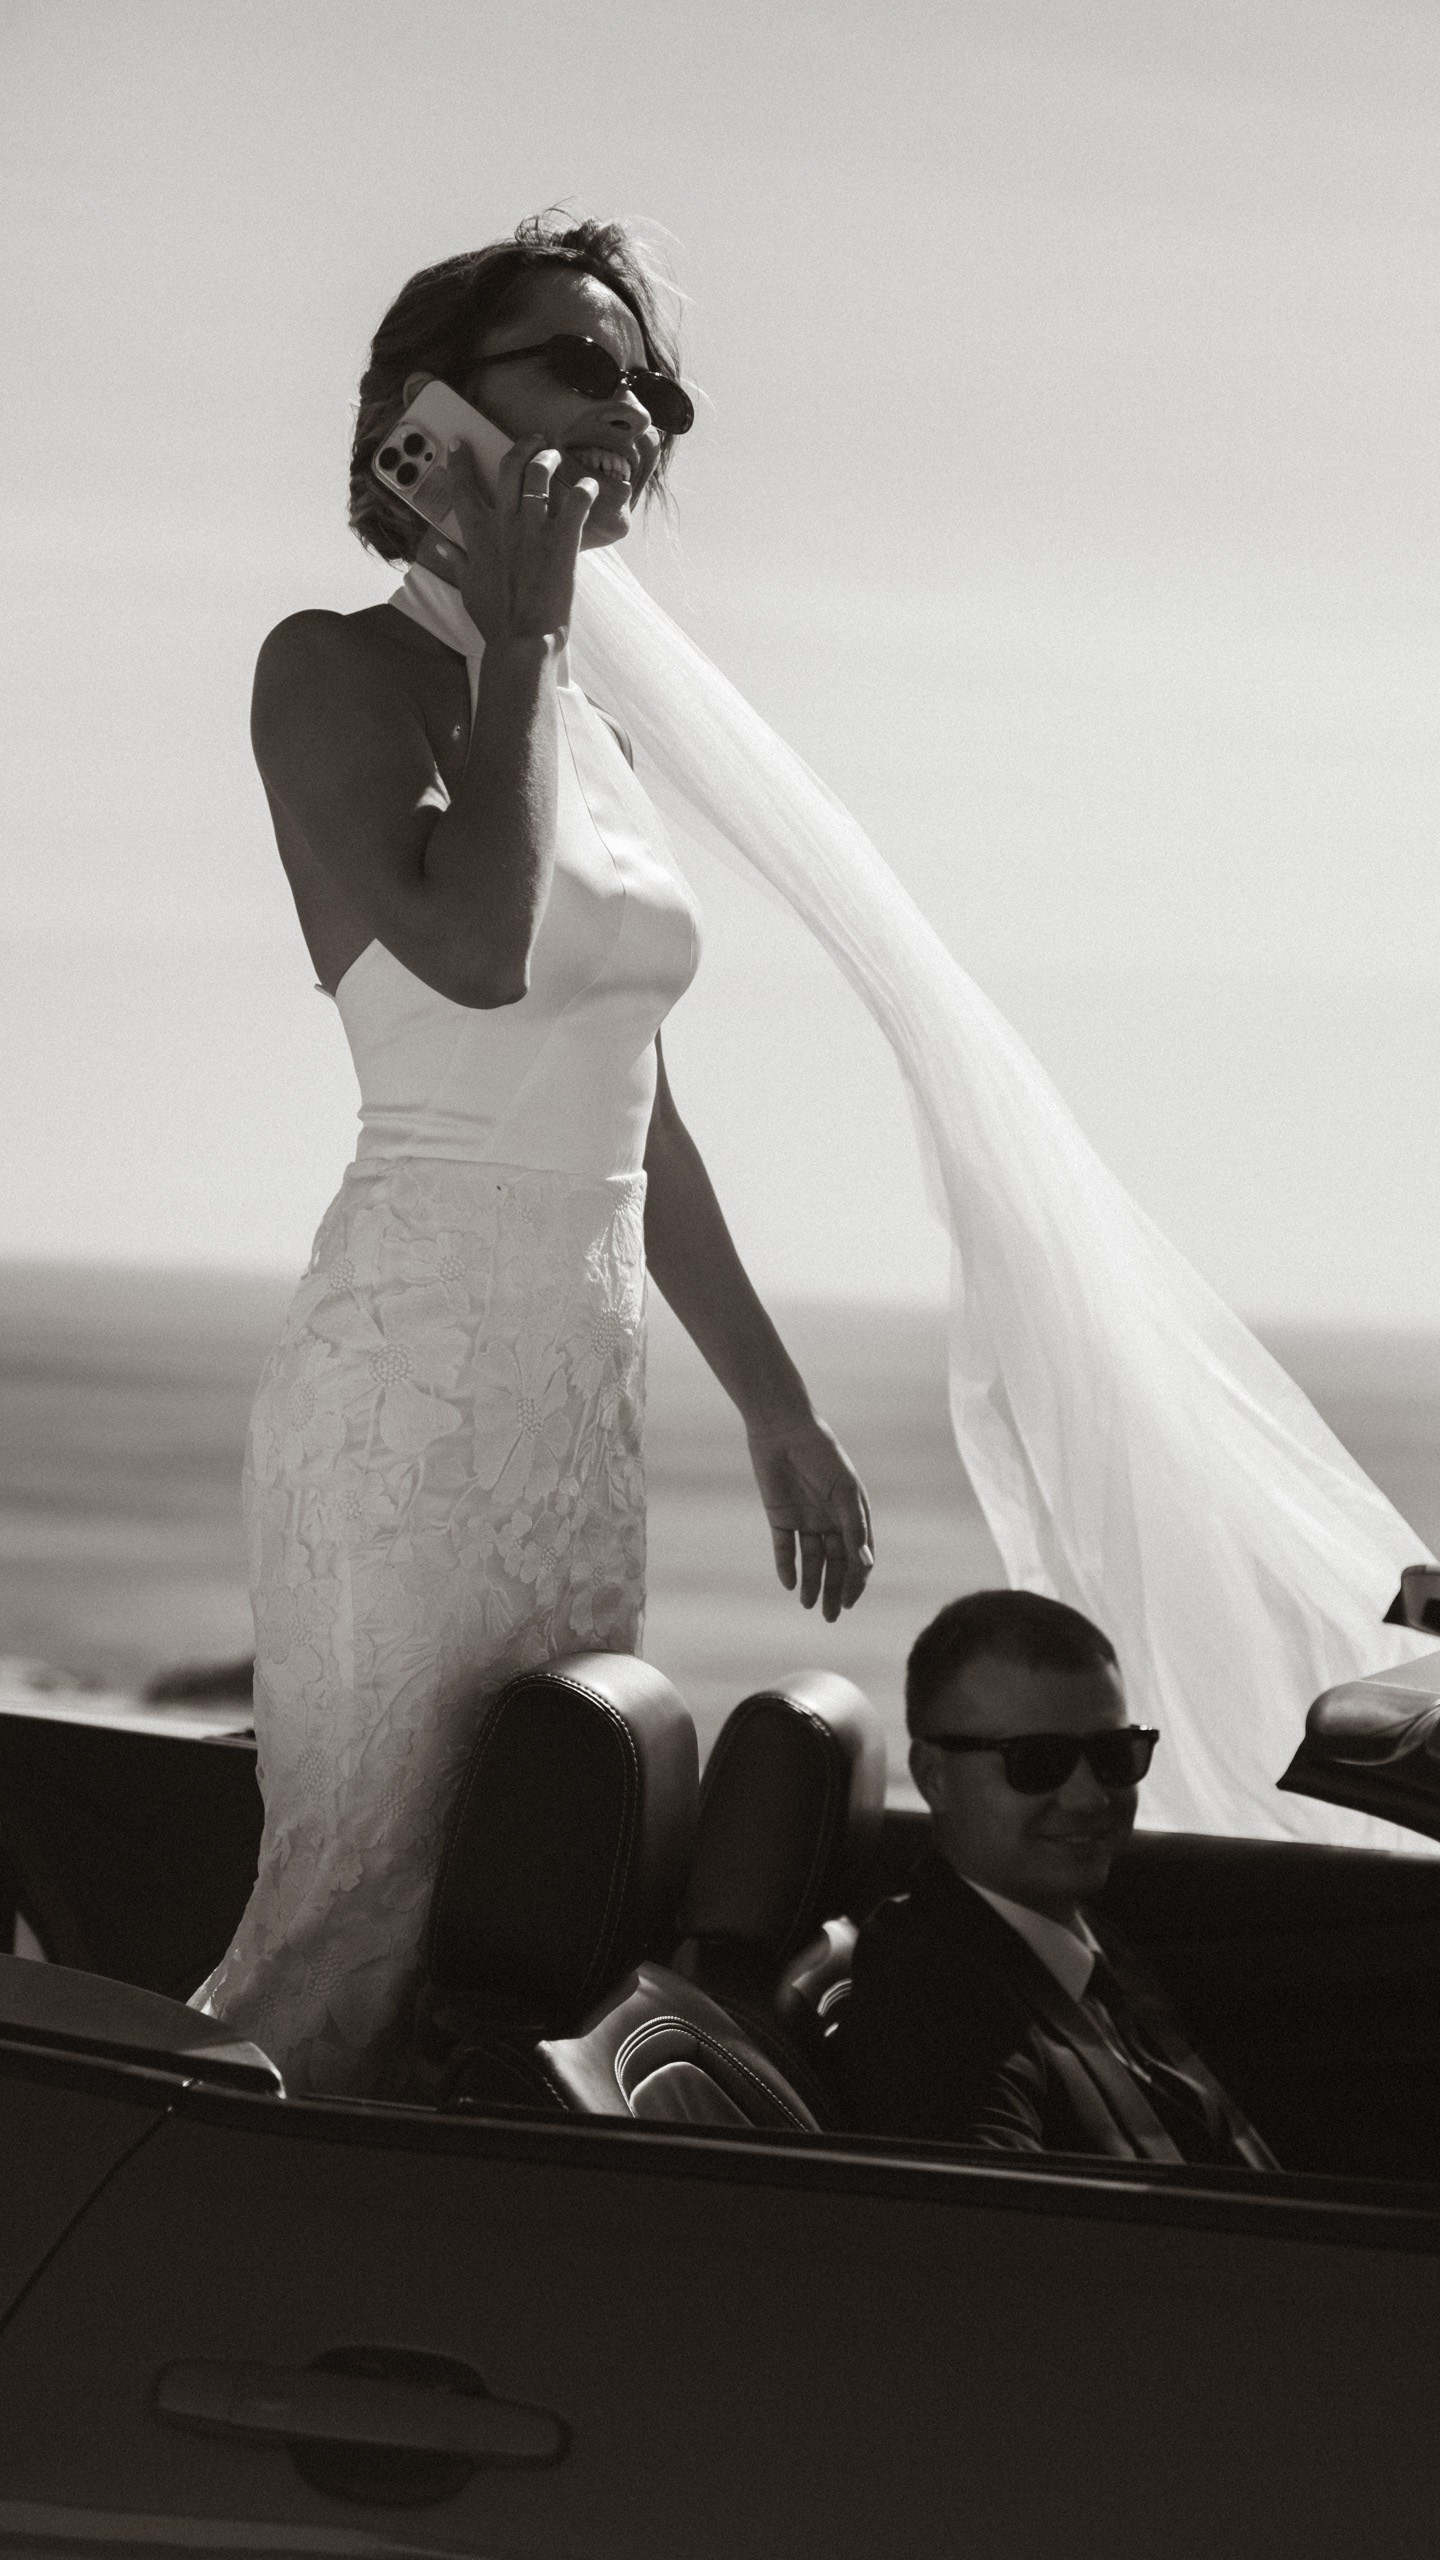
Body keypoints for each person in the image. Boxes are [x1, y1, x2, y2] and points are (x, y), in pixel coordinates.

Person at [192, 215, 874, 2096]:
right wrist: (520, 638)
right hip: (408, 1378)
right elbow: (482, 952)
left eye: (649, 387)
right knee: (359, 1909)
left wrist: (776, 1406)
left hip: (577, 1391)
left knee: (516, 1900)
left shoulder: (587, 728)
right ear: (425, 407)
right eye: (578, 364)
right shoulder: (331, 668)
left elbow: (640, 1099)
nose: (630, 411)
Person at [841, 1592, 1276, 2166]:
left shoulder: (1078, 1939)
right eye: (1038, 1761)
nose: (1088, 1796)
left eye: (1114, 1754)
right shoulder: (935, 2013)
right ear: (933, 1778)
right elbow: (989, 2215)